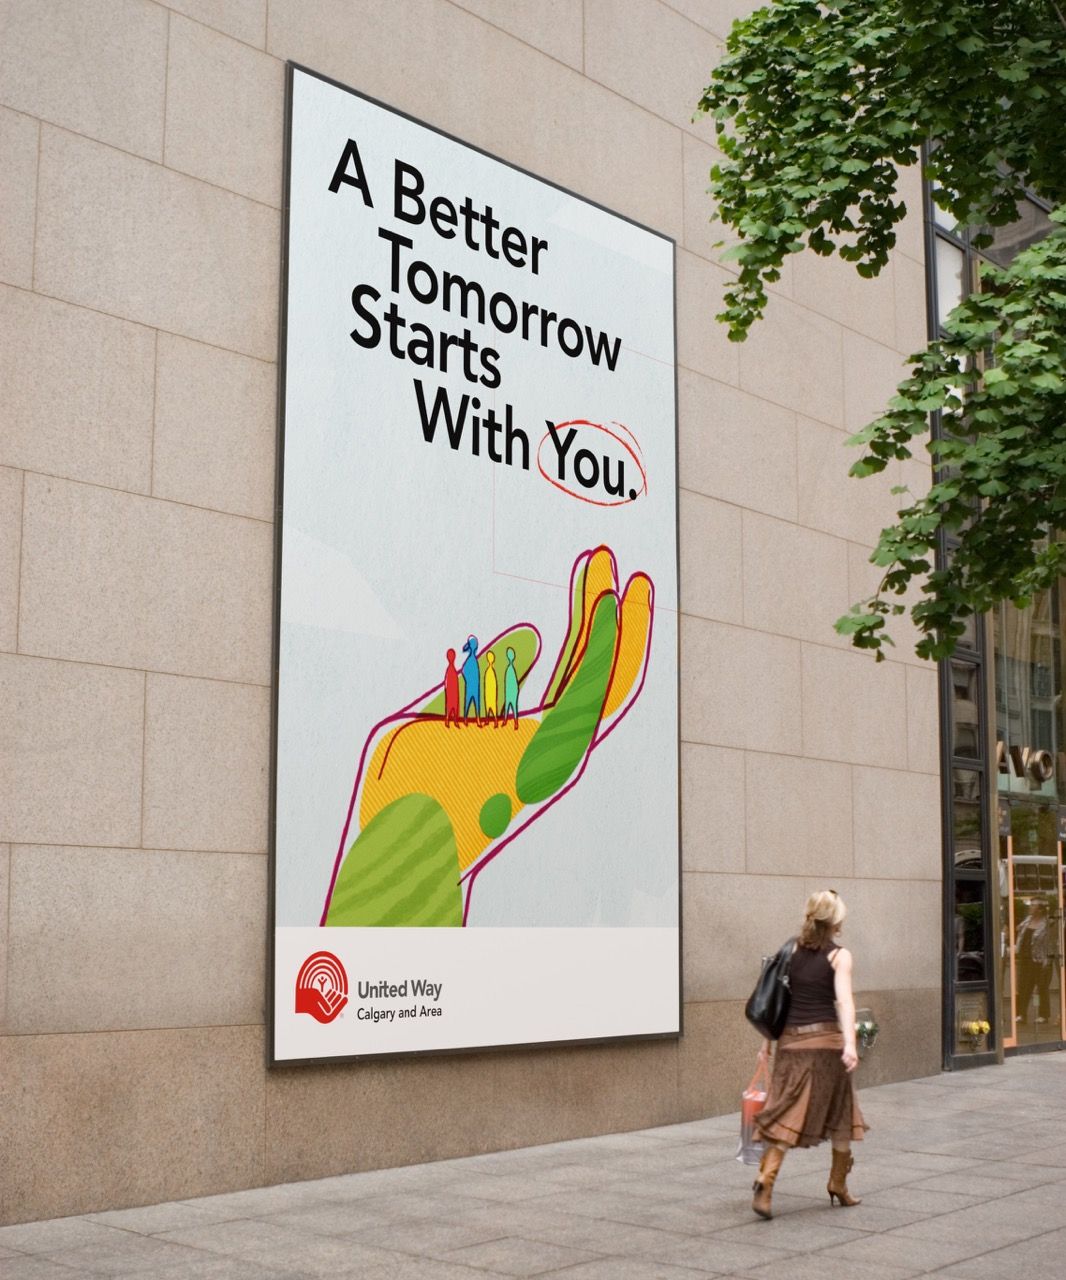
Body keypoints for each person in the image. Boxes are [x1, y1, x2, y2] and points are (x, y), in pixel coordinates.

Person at [750, 889, 867, 1220]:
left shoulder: (790, 949)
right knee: (842, 1112)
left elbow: (773, 998)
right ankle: (837, 1183)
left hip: (789, 1043)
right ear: (837, 921)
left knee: (787, 1111)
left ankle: (766, 1178)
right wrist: (850, 1044)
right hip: (825, 1045)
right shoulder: (839, 956)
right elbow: (844, 1001)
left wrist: (767, 1044)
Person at [1015, 899, 1052, 1025]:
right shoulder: (1027, 920)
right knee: (1023, 987)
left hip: (1039, 960)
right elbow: (1019, 930)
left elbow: (1048, 942)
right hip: (1025, 958)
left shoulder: (1047, 924)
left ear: (1040, 909)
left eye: (1033, 905)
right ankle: (1021, 1014)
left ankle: (1043, 1015)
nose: (1030, 907)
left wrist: (1047, 960)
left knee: (1042, 987)